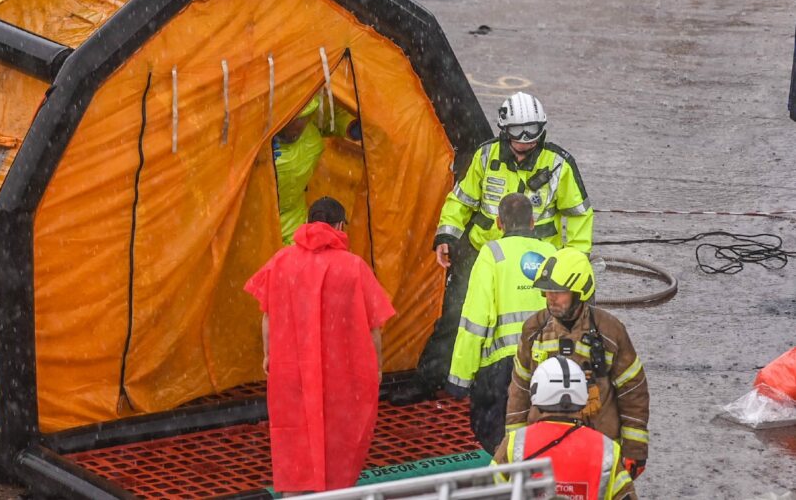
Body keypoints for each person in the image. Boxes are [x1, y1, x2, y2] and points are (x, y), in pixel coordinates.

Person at [393, 91, 593, 405]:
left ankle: (537, 387)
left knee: (541, 324)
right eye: (518, 134)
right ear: (504, 131)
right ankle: (433, 379)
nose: (526, 143)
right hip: (483, 257)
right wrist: (447, 237)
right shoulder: (486, 158)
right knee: (458, 318)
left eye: (533, 134)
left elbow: (578, 215)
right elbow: (461, 200)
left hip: (536, 263)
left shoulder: (558, 165)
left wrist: (573, 265)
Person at [244, 196, 395, 496]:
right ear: (340, 226)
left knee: (294, 434)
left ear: (308, 222)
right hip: (341, 373)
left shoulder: (281, 261)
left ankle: (294, 491)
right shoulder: (354, 267)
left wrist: (268, 355)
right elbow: (374, 327)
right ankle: (333, 492)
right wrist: (376, 367)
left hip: (291, 369)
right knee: (339, 437)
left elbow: (267, 316)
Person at [505, 247, 649, 481]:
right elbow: (520, 390)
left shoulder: (610, 332)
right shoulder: (534, 330)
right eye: (547, 291)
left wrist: (635, 449)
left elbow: (633, 391)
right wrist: (512, 446)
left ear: (579, 291)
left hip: (596, 447)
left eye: (558, 291)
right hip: (544, 449)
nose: (550, 297)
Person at [445, 193, 556, 454]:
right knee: (541, 435)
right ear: (532, 222)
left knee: (499, 439)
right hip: (546, 361)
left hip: (501, 368)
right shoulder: (551, 253)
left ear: (498, 222)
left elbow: (474, 321)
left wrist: (459, 379)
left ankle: (509, 483)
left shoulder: (492, 254)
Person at [492, 356, 637, 499]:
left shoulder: (514, 443)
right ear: (582, 393)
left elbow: (489, 491)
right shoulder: (607, 449)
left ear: (536, 390)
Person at [273, 95, 361, 245]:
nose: (299, 127)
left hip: (295, 216)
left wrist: (351, 126)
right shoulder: (256, 142)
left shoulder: (309, 130)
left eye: (304, 119)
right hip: (258, 219)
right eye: (294, 121)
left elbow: (328, 119)